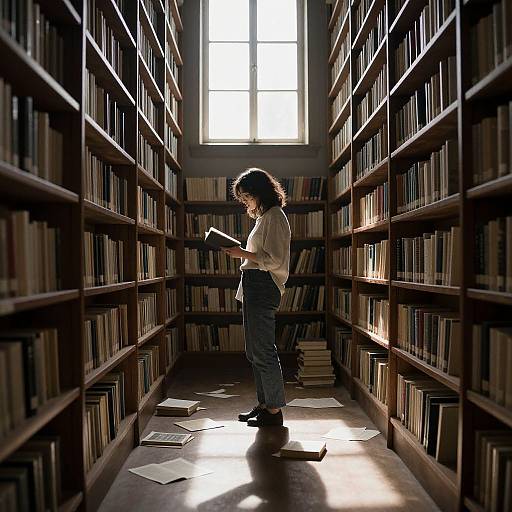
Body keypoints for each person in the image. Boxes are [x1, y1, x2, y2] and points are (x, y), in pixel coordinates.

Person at [222, 168, 291, 427]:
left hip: (263, 285)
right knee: (254, 351)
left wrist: (242, 254)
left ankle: (274, 411)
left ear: (260, 193)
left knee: (263, 351)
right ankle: (265, 404)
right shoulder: (263, 217)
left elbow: (274, 260)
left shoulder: (275, 217)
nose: (245, 202)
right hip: (253, 284)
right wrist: (243, 254)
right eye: (242, 198)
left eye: (247, 196)